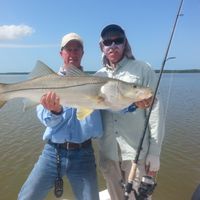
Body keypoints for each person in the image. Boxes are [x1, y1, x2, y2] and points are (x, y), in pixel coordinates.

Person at [18, 33, 103, 200]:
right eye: (68, 49)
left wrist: (134, 102)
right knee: (27, 196)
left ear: (82, 53)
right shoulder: (46, 81)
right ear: (61, 53)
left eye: (76, 49)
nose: (73, 53)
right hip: (53, 152)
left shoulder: (97, 82)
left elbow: (119, 105)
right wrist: (55, 111)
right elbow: (45, 119)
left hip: (84, 153)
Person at [96, 24, 165, 200]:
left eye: (118, 40)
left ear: (125, 43)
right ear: (102, 47)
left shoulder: (143, 69)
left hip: (136, 152)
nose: (113, 45)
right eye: (107, 42)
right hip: (108, 152)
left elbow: (155, 111)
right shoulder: (97, 76)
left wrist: (155, 152)